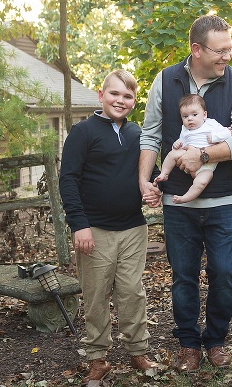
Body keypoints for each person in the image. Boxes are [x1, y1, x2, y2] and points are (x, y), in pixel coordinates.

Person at [138, 14, 232, 373]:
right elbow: (149, 135)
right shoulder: (165, 80)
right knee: (183, 274)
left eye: (230, 49)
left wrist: (203, 155)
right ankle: (189, 344)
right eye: (221, 50)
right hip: (178, 201)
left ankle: (217, 340)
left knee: (224, 272)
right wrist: (145, 180)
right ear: (196, 49)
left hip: (224, 199)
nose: (228, 56)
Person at [59, 69, 160, 384]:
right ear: (101, 96)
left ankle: (137, 350)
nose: (121, 100)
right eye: (114, 93)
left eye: (128, 96)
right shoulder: (83, 132)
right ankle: (98, 358)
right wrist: (80, 225)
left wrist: (155, 187)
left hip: (133, 228)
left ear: (133, 102)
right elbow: (69, 180)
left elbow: (150, 172)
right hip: (95, 231)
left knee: (132, 292)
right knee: (96, 294)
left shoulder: (137, 134)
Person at [155, 94, 232, 203]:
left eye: (194, 114)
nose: (190, 119)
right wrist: (177, 143)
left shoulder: (211, 124)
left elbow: (226, 133)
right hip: (187, 155)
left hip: (208, 163)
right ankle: (164, 173)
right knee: (172, 154)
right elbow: (182, 140)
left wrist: (214, 137)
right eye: (185, 116)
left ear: (204, 114)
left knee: (202, 181)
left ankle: (186, 197)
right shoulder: (185, 129)